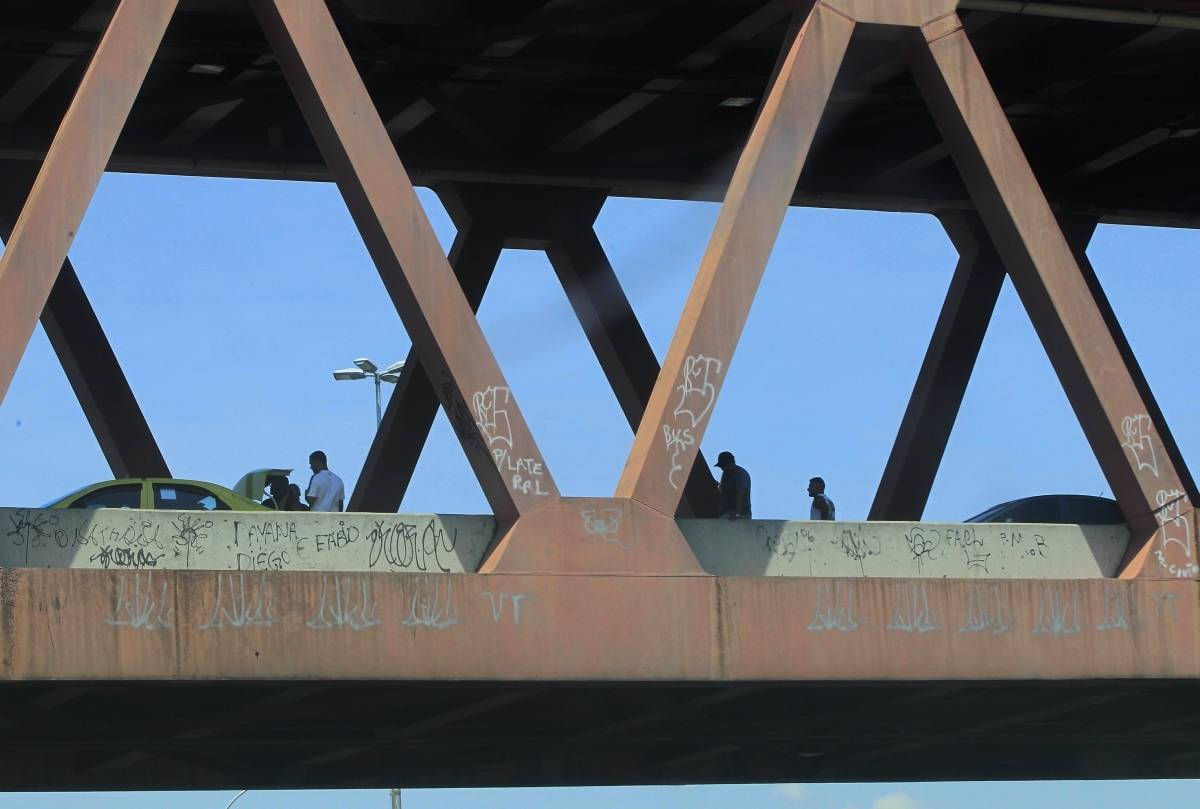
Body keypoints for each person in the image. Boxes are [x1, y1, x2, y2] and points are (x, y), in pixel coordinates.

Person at [714, 450, 751, 520]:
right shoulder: (725, 474)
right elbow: (722, 491)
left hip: (741, 516)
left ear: (731, 463)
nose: (722, 468)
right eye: (721, 466)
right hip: (727, 513)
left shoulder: (740, 474)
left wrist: (737, 514)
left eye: (724, 466)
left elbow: (740, 494)